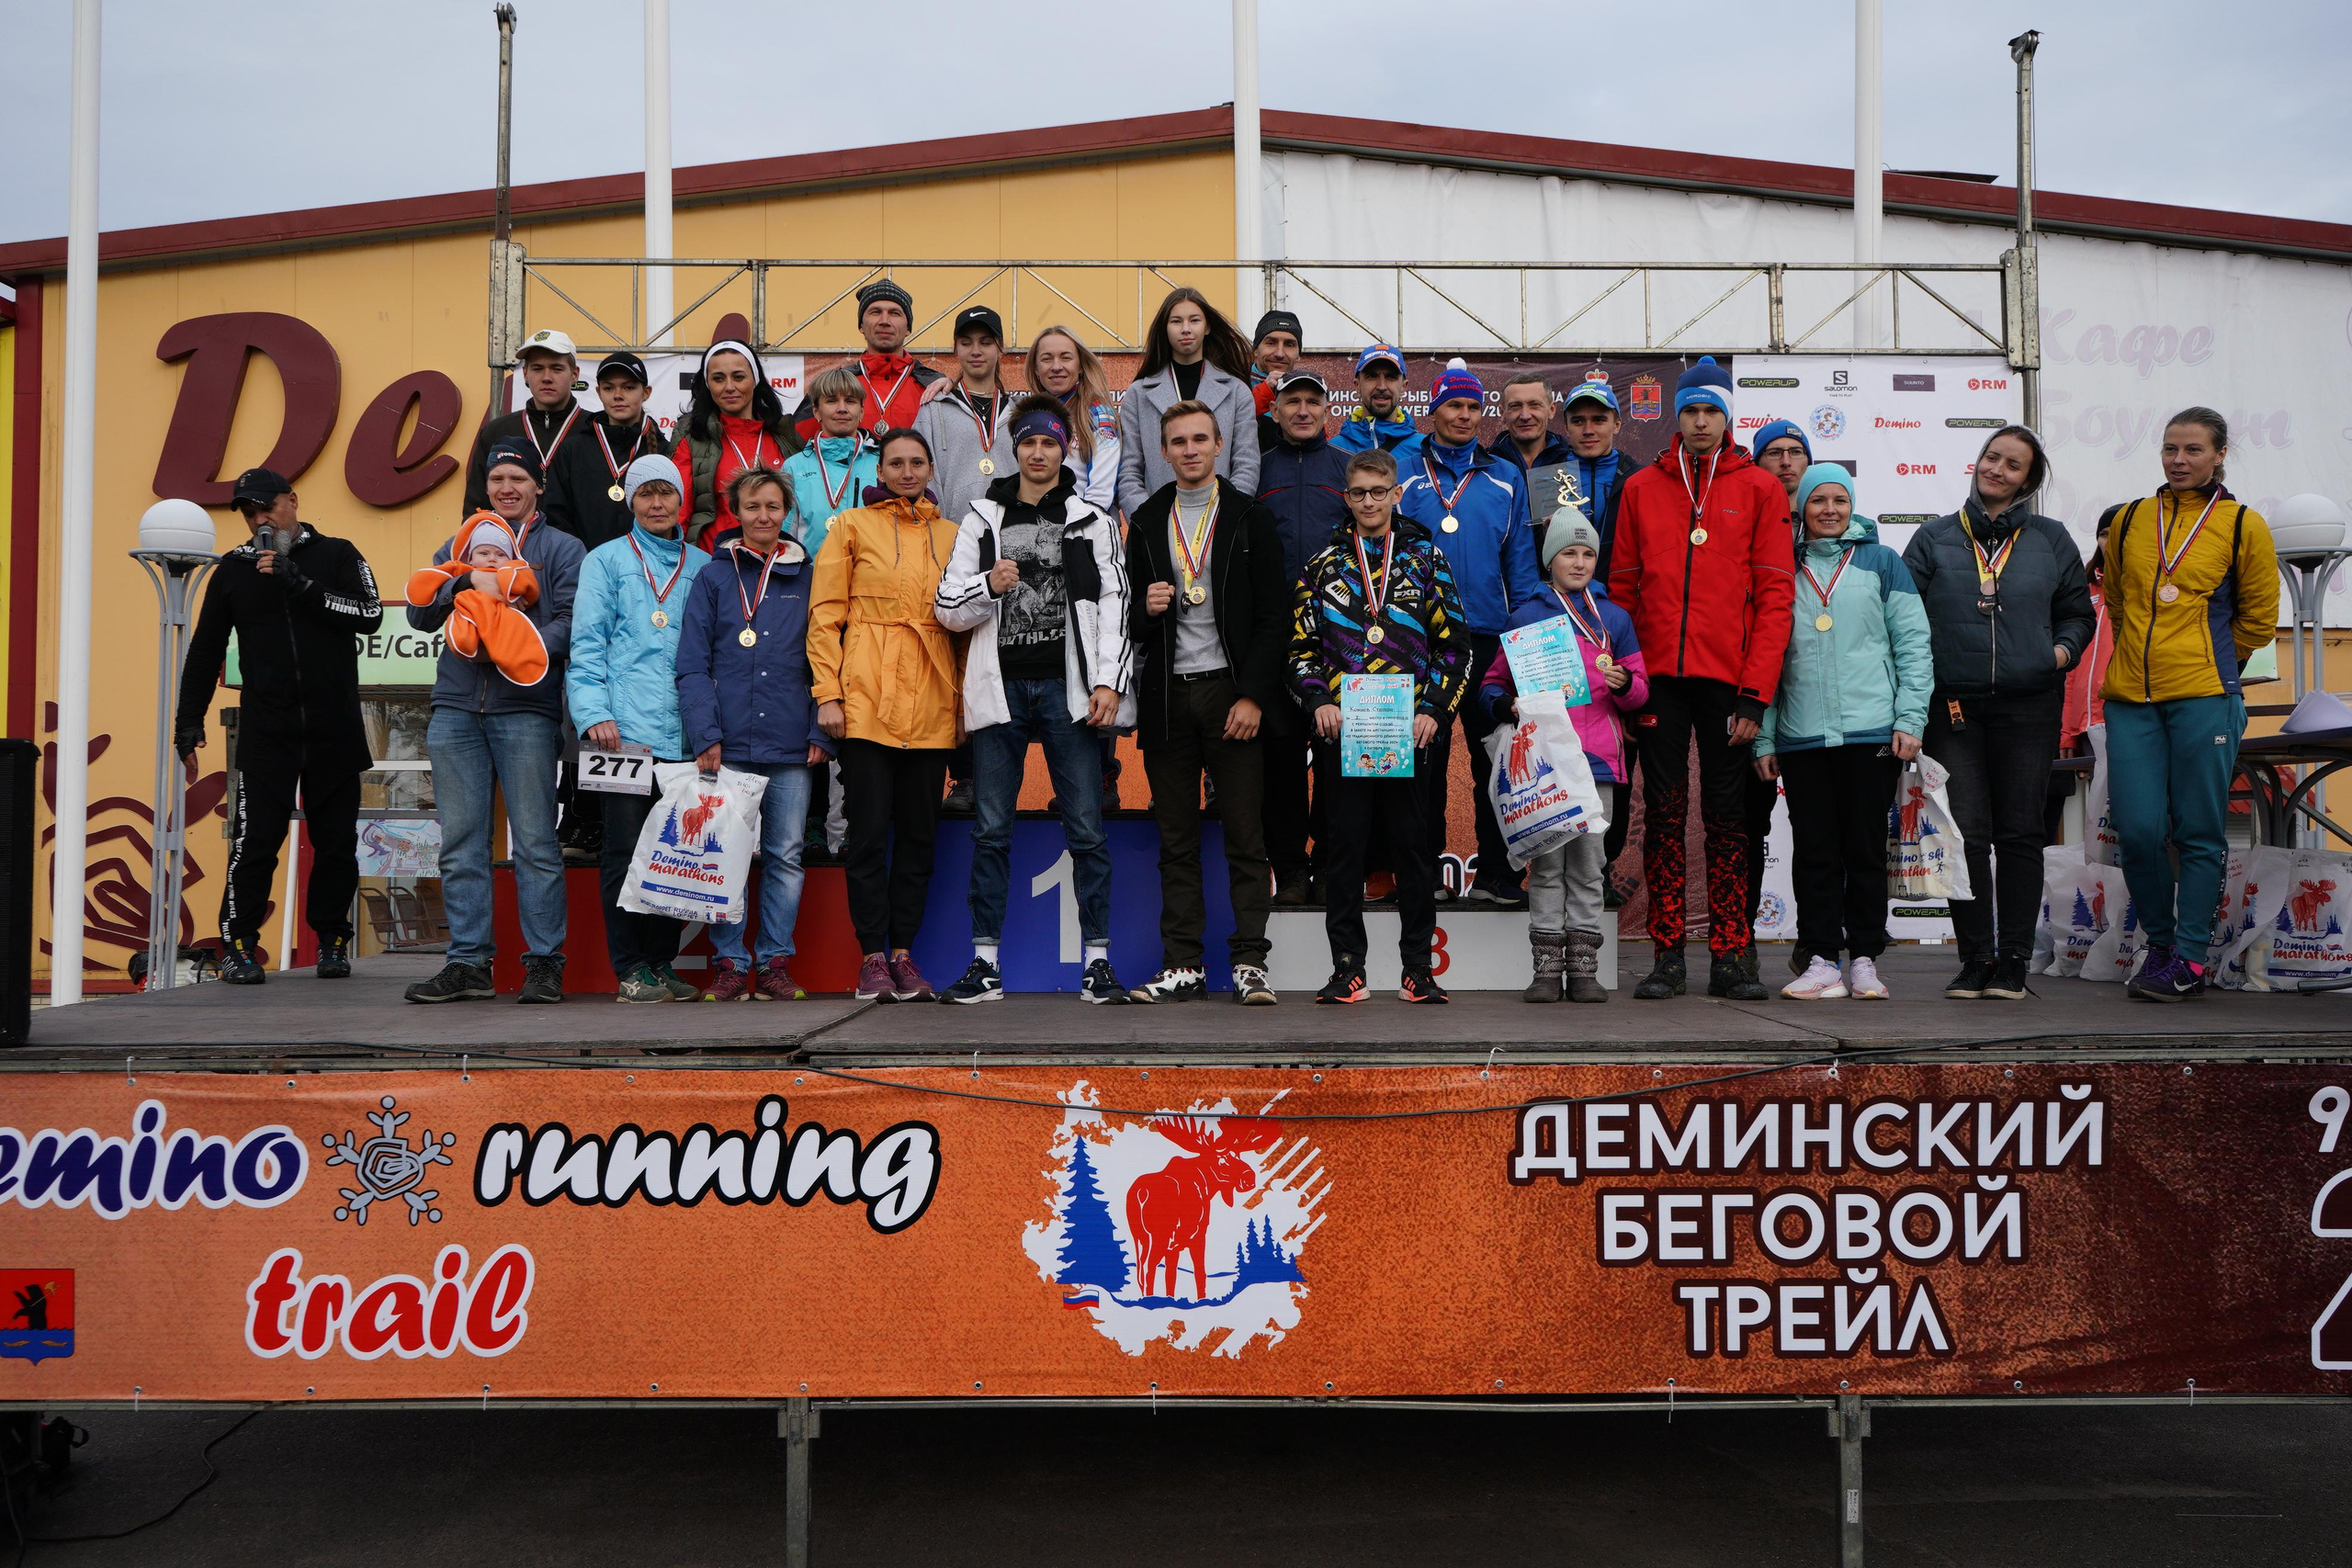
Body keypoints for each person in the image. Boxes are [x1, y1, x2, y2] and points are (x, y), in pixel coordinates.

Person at [933, 397, 1134, 1005]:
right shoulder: (981, 517)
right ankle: (984, 964)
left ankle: (1097, 963)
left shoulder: (1092, 519)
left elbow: (1116, 605)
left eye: (1050, 442)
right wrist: (984, 584)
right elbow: (946, 608)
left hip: (1068, 691)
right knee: (991, 830)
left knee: (1088, 830)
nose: (1039, 452)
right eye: (1028, 443)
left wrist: (1107, 682)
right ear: (1013, 449)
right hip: (1001, 691)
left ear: (1064, 448)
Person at [1608, 355, 1793, 1002]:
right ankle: (1666, 955)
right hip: (1658, 678)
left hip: (1728, 682)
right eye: (1691, 410)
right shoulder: (1640, 489)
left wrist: (1754, 692)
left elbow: (1775, 597)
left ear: (1728, 418)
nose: (1701, 421)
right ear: (1676, 416)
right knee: (1662, 815)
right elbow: (1624, 591)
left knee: (1730, 817)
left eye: (1712, 411)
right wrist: (1629, 683)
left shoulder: (1760, 489)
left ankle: (1732, 956)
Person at [1904, 424, 2094, 1002]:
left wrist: (2056, 653)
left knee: (2020, 834)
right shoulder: (1934, 538)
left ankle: (2012, 960)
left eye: (2013, 465)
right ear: (1977, 461)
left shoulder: (2051, 538)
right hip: (1953, 707)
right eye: (1992, 457)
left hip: (2029, 705)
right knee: (1965, 836)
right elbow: (1906, 621)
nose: (1997, 469)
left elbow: (2077, 614)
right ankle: (1974, 958)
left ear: (2028, 481)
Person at [173, 467, 381, 984]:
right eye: (248, 512)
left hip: (333, 725)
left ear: (292, 501)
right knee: (255, 839)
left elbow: (369, 613)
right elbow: (204, 651)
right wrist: (188, 721)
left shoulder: (338, 553)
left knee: (335, 843)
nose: (258, 518)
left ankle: (332, 941)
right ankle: (238, 946)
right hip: (268, 730)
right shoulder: (232, 572)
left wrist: (301, 583)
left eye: (266, 506)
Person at [2099, 408, 2278, 1001]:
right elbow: (2122, 606)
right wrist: (2141, 662)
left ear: (2220, 453)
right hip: (2132, 697)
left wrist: (2209, 665)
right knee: (2139, 828)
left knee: (2200, 831)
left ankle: (2192, 959)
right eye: (2171, 448)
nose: (2179, 459)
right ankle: (2161, 942)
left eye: (2194, 449)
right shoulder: (2129, 520)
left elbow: (2258, 618)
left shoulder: (2243, 524)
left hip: (2205, 695)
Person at [1124, 400, 1293, 1006]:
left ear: (1219, 445)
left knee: (1246, 836)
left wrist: (1252, 696)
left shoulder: (1249, 516)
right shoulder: (1145, 520)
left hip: (1231, 693)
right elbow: (1129, 624)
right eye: (1178, 441)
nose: (1190, 449)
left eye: (1200, 438)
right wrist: (1144, 610)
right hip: (1169, 696)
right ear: (1164, 451)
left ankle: (1250, 962)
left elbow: (1277, 618)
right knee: (1177, 841)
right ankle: (1184, 965)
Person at [404, 443, 583, 1004]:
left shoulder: (562, 548)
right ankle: (468, 963)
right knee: (460, 844)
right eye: (497, 478)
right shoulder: (459, 542)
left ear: (538, 486)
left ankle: (544, 963)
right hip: (455, 708)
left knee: (535, 842)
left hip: (526, 711)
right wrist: (463, 584)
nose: (507, 487)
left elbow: (573, 619)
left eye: (518, 478)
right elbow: (419, 610)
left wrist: (518, 646)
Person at [1290, 447, 1468, 1003]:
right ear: (1346, 498)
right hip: (1346, 733)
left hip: (1411, 732)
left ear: (1396, 493)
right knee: (1344, 851)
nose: (1369, 501)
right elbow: (1300, 648)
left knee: (1413, 850)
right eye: (1358, 493)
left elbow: (1456, 648)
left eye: (1378, 491)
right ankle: (1348, 970)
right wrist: (1318, 699)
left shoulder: (1426, 559)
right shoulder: (1322, 564)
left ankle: (1418, 970)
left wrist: (1433, 710)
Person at [1754, 466, 1932, 1001]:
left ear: (1852, 506)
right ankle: (1820, 959)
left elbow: (1913, 645)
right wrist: (1765, 737)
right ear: (1801, 509)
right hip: (1801, 734)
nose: (1829, 510)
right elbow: (1766, 658)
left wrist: (1910, 719)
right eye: (1817, 501)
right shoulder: (1784, 565)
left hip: (1870, 730)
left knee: (1863, 850)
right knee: (1814, 852)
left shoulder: (1882, 562)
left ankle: (1865, 960)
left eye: (1839, 500)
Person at [808, 428, 962, 1002]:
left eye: (916, 462)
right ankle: (872, 955)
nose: (905, 472)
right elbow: (824, 616)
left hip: (933, 701)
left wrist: (965, 704)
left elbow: (966, 622)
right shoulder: (850, 526)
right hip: (866, 700)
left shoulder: (953, 534)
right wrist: (828, 693)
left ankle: (904, 953)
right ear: (881, 467)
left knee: (920, 838)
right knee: (869, 836)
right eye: (895, 462)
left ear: (929, 468)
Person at [1478, 507, 1649, 1003]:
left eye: (1588, 553)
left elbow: (1640, 692)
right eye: (1569, 553)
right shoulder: (1527, 615)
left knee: (1589, 867)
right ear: (1550, 559)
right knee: (1547, 867)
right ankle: (1547, 971)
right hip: (1545, 767)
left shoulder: (1614, 618)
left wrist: (1626, 685)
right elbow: (1492, 684)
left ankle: (1586, 971)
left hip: (1596, 763)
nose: (1579, 562)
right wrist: (1505, 704)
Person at [676, 466, 831, 1002]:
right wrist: (705, 734)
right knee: (725, 854)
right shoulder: (714, 577)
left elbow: (825, 660)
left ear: (787, 512)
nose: (763, 516)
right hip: (728, 745)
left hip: (791, 744)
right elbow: (692, 664)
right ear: (735, 513)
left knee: (786, 855)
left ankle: (773, 963)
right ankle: (728, 962)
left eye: (772, 506)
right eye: (752, 507)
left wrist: (820, 730)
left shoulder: (810, 576)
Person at [1396, 358, 1545, 908]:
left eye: (1471, 407)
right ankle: (1422, 876)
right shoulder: (1402, 467)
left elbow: (1522, 568)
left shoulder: (1504, 476)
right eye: (1452, 405)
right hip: (1419, 641)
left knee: (1497, 762)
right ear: (1432, 410)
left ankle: (1499, 878)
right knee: (1419, 767)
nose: (1463, 415)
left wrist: (1521, 641)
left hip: (1487, 638)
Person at [565, 456, 712, 1003]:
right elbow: (586, 646)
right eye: (646, 494)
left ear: (681, 501)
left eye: (665, 493)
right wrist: (593, 713)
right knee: (625, 854)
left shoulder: (702, 565)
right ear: (630, 501)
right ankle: (630, 967)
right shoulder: (604, 562)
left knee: (677, 855)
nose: (656, 504)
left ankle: (661, 962)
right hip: (622, 736)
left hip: (686, 740)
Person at [1255, 368, 1351, 906]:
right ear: (1275, 410)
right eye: (1292, 400)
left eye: (1313, 401)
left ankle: (1334, 865)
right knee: (1282, 762)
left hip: (1338, 639)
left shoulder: (1344, 469)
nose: (1302, 410)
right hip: (1276, 637)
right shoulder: (1255, 471)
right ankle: (1290, 871)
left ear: (1325, 410)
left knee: (1338, 762)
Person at [1742, 416, 1815, 975]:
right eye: (1775, 452)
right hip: (1755, 693)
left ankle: (1816, 941)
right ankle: (1737, 935)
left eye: (1797, 453)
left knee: (1820, 829)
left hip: (1818, 699)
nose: (1786, 462)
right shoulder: (1745, 523)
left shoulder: (1839, 531)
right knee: (1749, 823)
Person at [1116, 287, 1261, 518]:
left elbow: (1246, 465)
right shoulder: (1138, 393)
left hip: (1219, 522)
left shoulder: (1236, 391)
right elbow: (1129, 470)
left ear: (1208, 327)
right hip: (1156, 526)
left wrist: (1226, 516)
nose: (1185, 329)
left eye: (1194, 320)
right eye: (1176, 321)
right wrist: (1149, 519)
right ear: (1165, 329)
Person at [673, 338, 800, 551]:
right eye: (718, 378)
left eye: (739, 377)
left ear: (755, 380)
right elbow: (679, 513)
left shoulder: (784, 435)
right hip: (714, 563)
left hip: (776, 564)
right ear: (707, 384)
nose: (729, 387)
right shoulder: (692, 438)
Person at [545, 351, 672, 554]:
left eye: (629, 387)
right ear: (598, 392)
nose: (618, 395)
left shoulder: (664, 451)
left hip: (648, 570)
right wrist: (579, 559)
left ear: (646, 392)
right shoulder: (573, 450)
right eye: (608, 388)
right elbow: (556, 516)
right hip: (586, 570)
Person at [794, 278, 944, 439]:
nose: (885, 321)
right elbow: (796, 444)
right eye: (875, 312)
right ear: (861, 326)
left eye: (895, 313)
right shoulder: (831, 386)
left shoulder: (934, 386)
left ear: (908, 328)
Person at [466, 328, 584, 513]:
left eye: (556, 368)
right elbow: (476, 506)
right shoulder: (496, 431)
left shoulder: (595, 429)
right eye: (537, 369)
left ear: (575, 374)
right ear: (526, 374)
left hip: (580, 542)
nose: (546, 378)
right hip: (510, 541)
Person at [915, 306, 1014, 525]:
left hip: (1011, 536)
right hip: (952, 537)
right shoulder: (933, 409)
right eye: (966, 343)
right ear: (955, 350)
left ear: (1001, 349)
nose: (975, 351)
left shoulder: (1019, 413)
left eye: (986, 343)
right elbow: (920, 477)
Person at [778, 365, 880, 559]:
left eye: (850, 401)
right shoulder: (794, 467)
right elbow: (785, 538)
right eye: (832, 401)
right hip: (811, 580)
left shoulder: (880, 464)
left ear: (861, 411)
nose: (842, 409)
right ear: (816, 412)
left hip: (866, 580)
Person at [1024, 325, 1121, 512]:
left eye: (1066, 357)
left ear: (1081, 365)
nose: (1056, 366)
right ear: (1036, 369)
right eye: (1046, 359)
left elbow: (1101, 493)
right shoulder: (1028, 414)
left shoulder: (1098, 413)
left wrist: (1078, 531)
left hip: (1084, 529)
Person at [1559, 375, 1634, 578]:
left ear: (1617, 424)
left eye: (1599, 420)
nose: (1588, 430)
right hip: (1564, 598)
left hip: (1620, 597)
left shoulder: (1637, 478)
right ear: (1566, 427)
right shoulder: (1550, 475)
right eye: (1578, 421)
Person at [1330, 343, 1423, 463]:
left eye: (1391, 377)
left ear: (1404, 387)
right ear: (1357, 386)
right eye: (1372, 376)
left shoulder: (1423, 449)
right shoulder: (1333, 449)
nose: (1382, 386)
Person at [1487, 372, 1572, 477]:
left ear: (1552, 409)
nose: (1525, 416)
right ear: (1502, 412)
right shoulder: (1486, 466)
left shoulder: (1572, 462)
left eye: (1534, 405)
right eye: (1515, 406)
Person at [1249, 309, 1304, 447]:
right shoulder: (1233, 385)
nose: (1279, 353)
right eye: (1271, 342)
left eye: (1289, 344)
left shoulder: (1308, 390)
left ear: (1298, 355)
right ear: (1255, 350)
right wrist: (1265, 391)